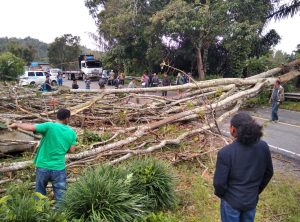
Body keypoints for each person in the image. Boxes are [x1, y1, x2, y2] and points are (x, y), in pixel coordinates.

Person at [213, 113, 273, 222]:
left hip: (231, 202)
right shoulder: (263, 147)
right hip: (251, 200)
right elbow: (269, 173)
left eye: (230, 126)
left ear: (234, 130)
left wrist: (224, 196)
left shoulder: (226, 153)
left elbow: (219, 184)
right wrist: (255, 191)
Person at [9, 109, 77, 204]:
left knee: (40, 192)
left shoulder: (49, 126)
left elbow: (32, 127)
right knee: (61, 193)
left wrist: (17, 125)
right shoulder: (71, 132)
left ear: (57, 116)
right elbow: (71, 150)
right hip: (59, 167)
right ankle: (61, 214)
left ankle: (40, 212)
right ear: (67, 119)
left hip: (43, 166)